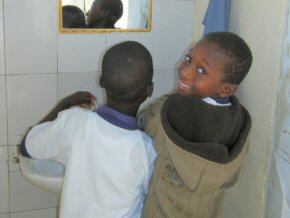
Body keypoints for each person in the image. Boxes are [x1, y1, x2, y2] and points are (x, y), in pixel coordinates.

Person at [20, 41, 156, 218]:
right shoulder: (147, 150)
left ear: (101, 81)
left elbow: (26, 146)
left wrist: (66, 103)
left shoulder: (75, 122)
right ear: (150, 90)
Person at [138, 32, 253, 218]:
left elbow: (146, 122)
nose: (185, 71)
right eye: (188, 59)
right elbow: (232, 179)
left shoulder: (173, 113)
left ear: (226, 89)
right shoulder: (239, 124)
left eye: (201, 71)